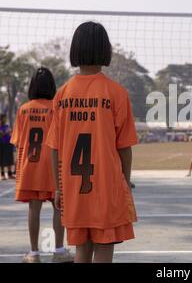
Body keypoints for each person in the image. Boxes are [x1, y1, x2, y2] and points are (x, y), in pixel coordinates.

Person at [46, 22, 138, 263]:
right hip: (106, 187)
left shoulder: (62, 94)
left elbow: (54, 149)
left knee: (81, 250)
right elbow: (124, 148)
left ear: (75, 50)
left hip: (73, 188)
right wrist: (125, 183)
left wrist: (58, 187)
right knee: (104, 248)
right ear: (105, 50)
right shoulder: (116, 93)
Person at [11, 68, 73, 263]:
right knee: (58, 207)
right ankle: (59, 251)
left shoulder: (23, 109)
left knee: (33, 209)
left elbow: (19, 142)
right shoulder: (57, 107)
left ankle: (34, 253)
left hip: (31, 164)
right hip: (53, 164)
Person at [0, 114, 16, 180]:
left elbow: (10, 132)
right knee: (2, 159)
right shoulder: (1, 126)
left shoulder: (7, 126)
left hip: (9, 144)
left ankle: (10, 173)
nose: (5, 119)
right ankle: (2, 174)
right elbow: (2, 134)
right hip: (2, 144)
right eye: (4, 118)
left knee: (10, 159)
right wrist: (5, 132)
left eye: (5, 118)